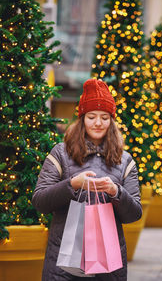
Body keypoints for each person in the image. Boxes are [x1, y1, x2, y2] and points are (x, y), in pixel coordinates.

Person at [32, 79, 142, 281]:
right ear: (82, 118)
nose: (98, 123)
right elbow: (40, 201)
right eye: (91, 117)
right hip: (63, 264)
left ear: (112, 121)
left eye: (105, 117)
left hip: (108, 266)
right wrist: (72, 184)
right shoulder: (61, 153)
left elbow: (134, 214)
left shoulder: (125, 160)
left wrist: (116, 192)